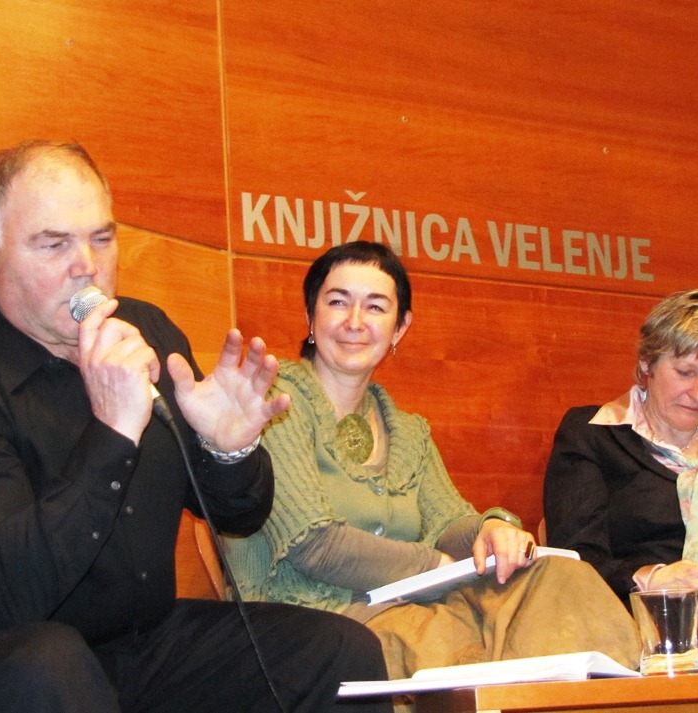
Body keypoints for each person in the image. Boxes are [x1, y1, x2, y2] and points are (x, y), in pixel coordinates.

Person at [0, 141, 390, 713]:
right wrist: (113, 432)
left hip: (135, 644)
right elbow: (9, 596)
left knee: (339, 654)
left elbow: (239, 517)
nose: (87, 266)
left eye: (101, 238)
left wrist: (226, 452)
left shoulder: (146, 331)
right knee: (49, 667)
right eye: (54, 244)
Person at [222, 241, 639, 681]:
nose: (355, 322)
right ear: (311, 316)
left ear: (400, 328)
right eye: (338, 302)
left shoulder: (408, 432)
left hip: (414, 608)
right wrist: (436, 567)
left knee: (562, 579)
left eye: (376, 307)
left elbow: (448, 523)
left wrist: (490, 528)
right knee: (456, 642)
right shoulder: (271, 403)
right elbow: (315, 546)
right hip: (313, 619)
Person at [542, 288, 698, 661]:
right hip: (636, 636)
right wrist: (651, 578)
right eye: (685, 372)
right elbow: (573, 560)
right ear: (648, 363)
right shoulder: (594, 433)